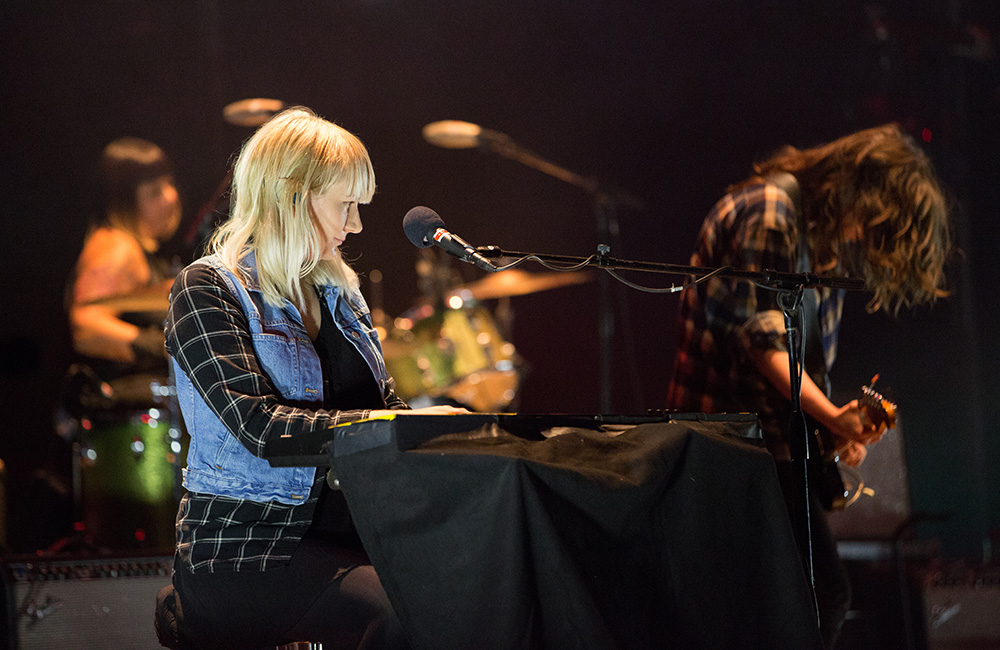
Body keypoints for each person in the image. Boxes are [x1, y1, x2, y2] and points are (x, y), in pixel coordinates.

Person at [164, 107, 464, 649]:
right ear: (293, 196)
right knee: (405, 616)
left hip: (352, 539)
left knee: (479, 585)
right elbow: (260, 427)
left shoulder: (341, 294)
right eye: (346, 205)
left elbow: (385, 405)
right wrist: (394, 425)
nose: (356, 225)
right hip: (246, 549)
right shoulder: (207, 290)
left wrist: (450, 429)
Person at [666, 123, 950, 647]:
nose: (865, 238)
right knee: (816, 598)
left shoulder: (819, 244)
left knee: (781, 606)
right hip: (724, 448)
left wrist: (832, 431)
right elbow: (761, 340)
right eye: (873, 222)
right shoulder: (770, 208)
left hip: (765, 453)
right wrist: (830, 415)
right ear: (858, 189)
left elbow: (799, 366)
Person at [67, 137, 182, 406]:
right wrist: (157, 346)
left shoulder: (134, 247)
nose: (171, 197)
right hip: (127, 413)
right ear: (123, 201)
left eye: (169, 184)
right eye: (155, 191)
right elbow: (86, 325)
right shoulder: (117, 246)